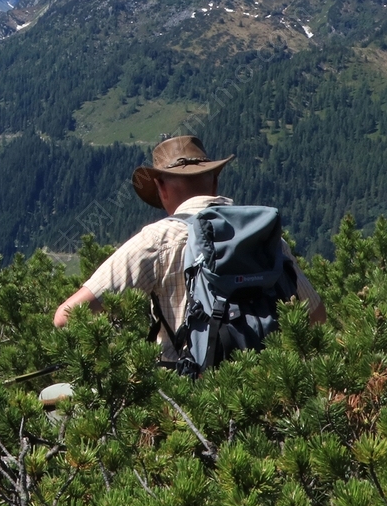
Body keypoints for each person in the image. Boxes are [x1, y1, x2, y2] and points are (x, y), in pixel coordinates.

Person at [51, 135, 326, 366]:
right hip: (268, 393)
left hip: (187, 400)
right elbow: (316, 317)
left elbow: (67, 317)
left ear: (160, 188)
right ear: (214, 182)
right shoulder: (266, 238)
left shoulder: (158, 239)